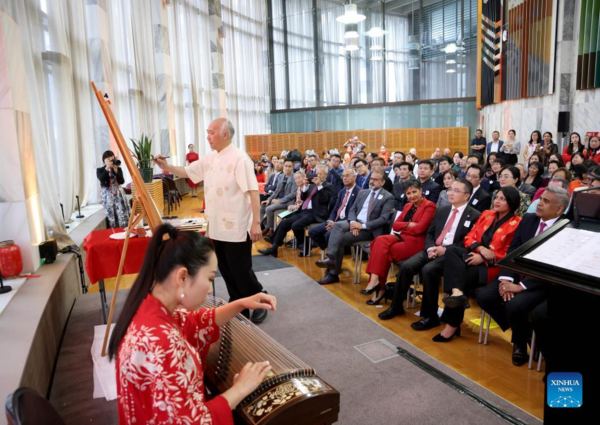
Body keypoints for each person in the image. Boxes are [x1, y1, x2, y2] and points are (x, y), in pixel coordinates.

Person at [108, 224, 276, 423]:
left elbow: (194, 322)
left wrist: (240, 303)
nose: (209, 288)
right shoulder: (161, 343)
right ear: (183, 276)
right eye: (209, 278)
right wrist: (239, 389)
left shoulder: (148, 308)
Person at [154, 118, 267, 323]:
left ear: (225, 134)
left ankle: (259, 298)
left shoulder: (240, 159)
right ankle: (238, 302)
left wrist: (256, 222)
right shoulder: (210, 158)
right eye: (207, 132)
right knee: (224, 267)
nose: (208, 137)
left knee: (240, 269)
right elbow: (188, 172)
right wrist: (166, 166)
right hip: (216, 225)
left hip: (236, 226)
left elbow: (253, 193)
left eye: (211, 132)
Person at [476, 187, 569, 365]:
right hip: (517, 274)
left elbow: (554, 267)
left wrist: (522, 287)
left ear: (559, 209)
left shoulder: (566, 228)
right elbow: (514, 250)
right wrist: (506, 279)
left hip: (542, 282)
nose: (539, 203)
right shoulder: (528, 219)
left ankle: (519, 343)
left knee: (515, 305)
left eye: (546, 201)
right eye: (541, 199)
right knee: (485, 296)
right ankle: (524, 335)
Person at [378, 179, 481, 324]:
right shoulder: (443, 210)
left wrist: (444, 250)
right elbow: (430, 233)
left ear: (466, 196)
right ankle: (396, 306)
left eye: (456, 191)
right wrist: (431, 247)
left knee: (428, 270)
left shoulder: (475, 215)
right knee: (407, 266)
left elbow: (467, 242)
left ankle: (430, 315)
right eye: (450, 189)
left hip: (451, 254)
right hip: (432, 248)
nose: (450, 193)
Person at [435, 187, 522, 342]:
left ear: (512, 203)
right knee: (453, 251)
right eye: (497, 197)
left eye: (503, 199)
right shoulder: (486, 214)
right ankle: (457, 293)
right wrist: (480, 249)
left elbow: (511, 253)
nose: (497, 201)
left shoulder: (517, 223)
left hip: (492, 266)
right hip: (475, 255)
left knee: (461, 277)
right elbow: (469, 237)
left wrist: (483, 258)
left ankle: (452, 325)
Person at [362, 180, 436, 304]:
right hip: (401, 237)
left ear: (421, 191)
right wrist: (409, 225)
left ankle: (379, 288)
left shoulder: (429, 206)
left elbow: (420, 229)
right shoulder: (408, 206)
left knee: (381, 251)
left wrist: (405, 226)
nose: (411, 196)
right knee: (379, 241)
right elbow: (395, 226)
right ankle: (375, 281)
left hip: (416, 242)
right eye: (408, 193)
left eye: (414, 192)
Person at [315, 170, 395, 285]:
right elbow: (353, 209)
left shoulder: (388, 197)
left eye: (375, 180)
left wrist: (361, 226)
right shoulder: (363, 192)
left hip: (369, 229)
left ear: (382, 183)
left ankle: (333, 274)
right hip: (354, 222)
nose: (371, 182)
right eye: (371, 179)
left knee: (339, 240)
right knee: (337, 225)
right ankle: (331, 258)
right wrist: (353, 223)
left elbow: (383, 219)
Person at [258, 165, 334, 258]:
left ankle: (304, 245)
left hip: (316, 213)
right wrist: (305, 186)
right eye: (316, 173)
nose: (317, 176)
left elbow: (324, 200)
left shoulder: (328, 186)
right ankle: (274, 248)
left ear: (326, 175)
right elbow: (303, 198)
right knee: (284, 223)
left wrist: (319, 186)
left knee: (295, 225)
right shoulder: (312, 184)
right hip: (304, 210)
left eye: (320, 174)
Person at [308, 168, 361, 257]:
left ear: (354, 177)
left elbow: (355, 214)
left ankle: (332, 255)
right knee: (312, 232)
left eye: (347, 176)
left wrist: (336, 223)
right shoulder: (342, 191)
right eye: (343, 176)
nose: (344, 178)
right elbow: (335, 209)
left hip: (345, 222)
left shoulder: (359, 192)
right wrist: (330, 221)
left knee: (328, 234)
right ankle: (330, 248)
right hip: (334, 220)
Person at [260, 159, 297, 239]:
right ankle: (265, 227)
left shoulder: (294, 177)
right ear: (284, 167)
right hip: (278, 199)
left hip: (287, 201)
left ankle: (271, 230)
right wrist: (269, 199)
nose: (287, 168)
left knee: (269, 209)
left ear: (293, 167)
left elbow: (293, 194)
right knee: (263, 206)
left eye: (289, 166)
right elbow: (276, 191)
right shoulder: (281, 176)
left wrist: (279, 201)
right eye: (286, 166)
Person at [97, 150, 131, 228]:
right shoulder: (100, 170)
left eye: (113, 159)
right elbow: (102, 179)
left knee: (122, 213)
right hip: (107, 196)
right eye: (109, 159)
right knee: (111, 215)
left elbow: (122, 181)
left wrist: (116, 171)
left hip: (119, 194)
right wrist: (107, 168)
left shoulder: (118, 169)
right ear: (104, 160)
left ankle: (124, 230)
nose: (112, 161)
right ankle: (113, 231)